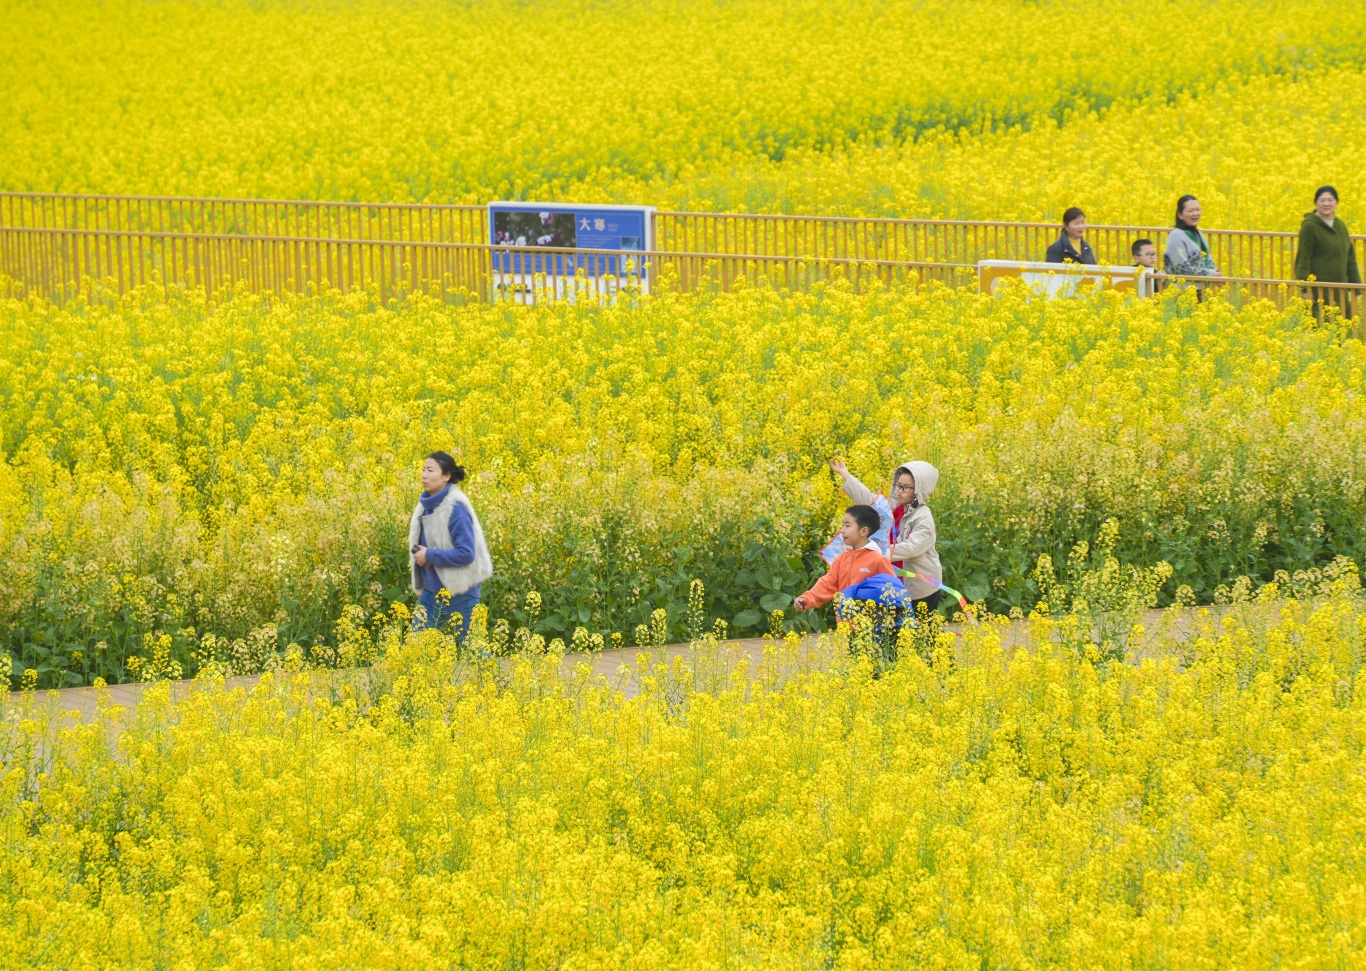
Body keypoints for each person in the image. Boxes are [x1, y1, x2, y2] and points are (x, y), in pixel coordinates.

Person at [829, 458, 943, 614]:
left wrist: (877, 552)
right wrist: (845, 474)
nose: (899, 491)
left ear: (918, 491)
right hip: (894, 584)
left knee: (923, 635)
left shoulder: (923, 518)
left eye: (905, 488)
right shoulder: (894, 507)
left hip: (921, 588)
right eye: (898, 485)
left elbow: (912, 548)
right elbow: (869, 501)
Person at [409, 451, 493, 641]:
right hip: (432, 593)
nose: (424, 475)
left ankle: (496, 672)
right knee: (415, 649)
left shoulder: (455, 509)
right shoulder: (425, 506)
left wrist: (429, 555)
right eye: (423, 469)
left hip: (460, 592)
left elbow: (466, 553)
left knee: (472, 651)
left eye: (430, 470)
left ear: (446, 477)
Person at [793, 505, 909, 615]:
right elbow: (827, 584)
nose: (842, 530)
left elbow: (892, 592)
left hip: (870, 629)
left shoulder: (878, 560)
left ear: (864, 531)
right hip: (845, 626)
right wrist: (806, 599)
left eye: (847, 526)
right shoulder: (842, 558)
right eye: (842, 525)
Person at [1294, 185, 1361, 321]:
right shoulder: (1309, 226)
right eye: (1322, 200)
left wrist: (1356, 286)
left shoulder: (1340, 225)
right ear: (1316, 203)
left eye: (1330, 200)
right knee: (1320, 326)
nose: (1326, 203)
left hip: (1340, 287)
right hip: (1320, 288)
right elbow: (1303, 259)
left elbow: (1350, 258)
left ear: (1336, 203)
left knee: (1343, 327)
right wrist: (1305, 289)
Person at [1163, 195, 1219, 280]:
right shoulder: (1176, 235)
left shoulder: (1199, 233)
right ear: (1180, 215)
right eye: (1190, 211)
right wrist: (1211, 274)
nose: (1195, 213)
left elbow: (1208, 260)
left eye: (1198, 210)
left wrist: (1216, 273)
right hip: (1182, 288)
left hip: (1203, 288)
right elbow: (1181, 269)